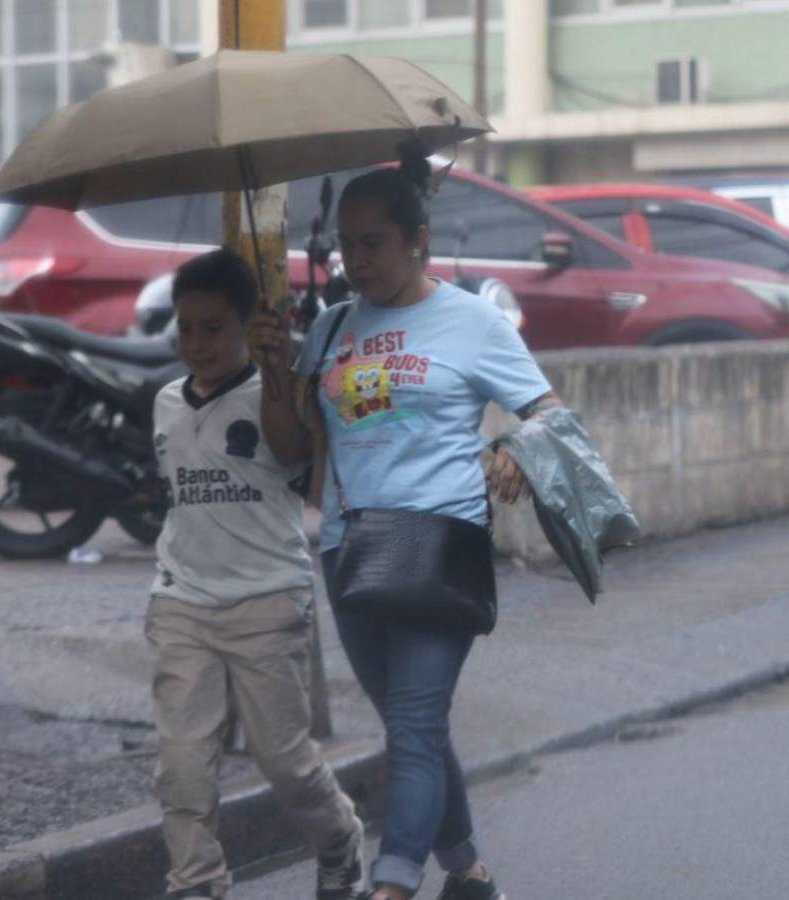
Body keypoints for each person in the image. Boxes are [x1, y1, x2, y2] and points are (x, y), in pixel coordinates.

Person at [249, 156, 560, 900]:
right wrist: (271, 370)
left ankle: (390, 885)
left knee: (414, 727)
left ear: (417, 239)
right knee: (411, 723)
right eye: (347, 245)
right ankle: (470, 874)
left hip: (439, 544)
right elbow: (293, 452)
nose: (356, 262)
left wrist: (518, 446)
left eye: (374, 244)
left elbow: (551, 414)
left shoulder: (473, 322)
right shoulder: (328, 330)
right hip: (347, 550)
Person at [146, 249, 366, 900]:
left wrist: (276, 367)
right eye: (186, 328)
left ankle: (339, 840)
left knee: (287, 765)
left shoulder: (280, 391)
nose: (197, 343)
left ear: (246, 324)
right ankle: (197, 884)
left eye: (214, 328)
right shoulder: (163, 402)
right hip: (181, 604)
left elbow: (291, 449)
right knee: (182, 768)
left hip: (267, 603)